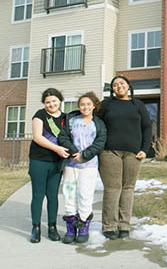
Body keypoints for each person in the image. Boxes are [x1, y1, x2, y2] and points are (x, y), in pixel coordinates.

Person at [97, 75, 152, 239]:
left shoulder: (138, 105)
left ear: (128, 86)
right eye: (115, 85)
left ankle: (124, 226)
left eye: (122, 83)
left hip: (133, 154)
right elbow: (96, 125)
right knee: (113, 188)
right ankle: (109, 226)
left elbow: (147, 127)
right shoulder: (106, 104)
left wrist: (145, 149)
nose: (118, 86)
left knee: (128, 188)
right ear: (112, 89)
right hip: (109, 152)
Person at [58, 92, 107, 244]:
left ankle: (84, 226)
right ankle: (71, 228)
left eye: (88, 104)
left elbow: (100, 142)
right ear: (79, 106)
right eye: (82, 104)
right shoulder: (71, 120)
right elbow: (63, 137)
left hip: (89, 165)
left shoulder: (98, 123)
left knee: (85, 195)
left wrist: (85, 155)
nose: (85, 107)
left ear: (94, 106)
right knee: (69, 193)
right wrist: (74, 153)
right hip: (71, 165)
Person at [28, 88, 69, 243]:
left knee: (52, 196)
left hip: (56, 162)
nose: (51, 104)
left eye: (54, 100)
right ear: (44, 104)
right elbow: (37, 137)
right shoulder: (40, 115)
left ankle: (52, 227)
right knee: (38, 195)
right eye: (47, 102)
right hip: (39, 160)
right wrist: (56, 148)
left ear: (59, 100)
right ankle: (36, 228)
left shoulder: (66, 118)